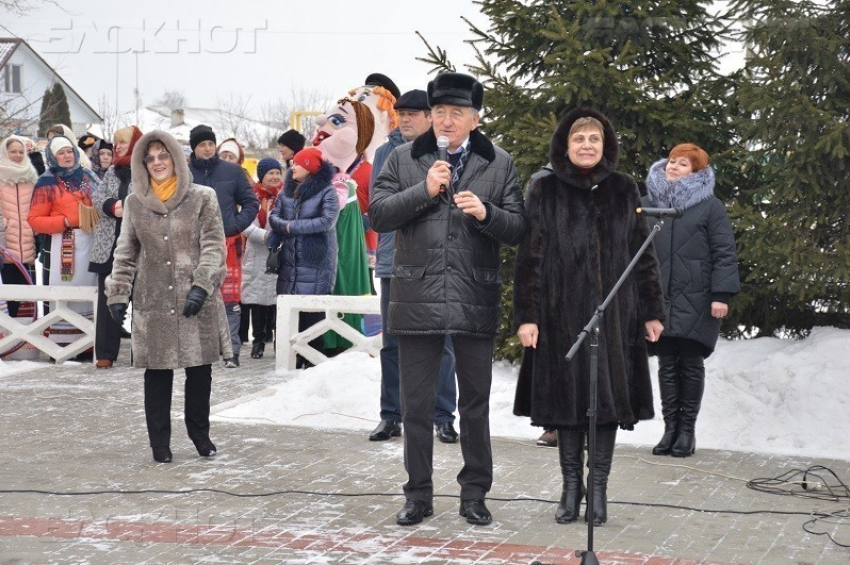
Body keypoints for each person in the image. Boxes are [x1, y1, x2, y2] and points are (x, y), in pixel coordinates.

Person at [371, 72, 527, 527]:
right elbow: (378, 214)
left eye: (456, 113)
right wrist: (425, 190)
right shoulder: (403, 159)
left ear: (475, 119)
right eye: (439, 112)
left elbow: (518, 229)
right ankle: (418, 494)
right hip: (416, 294)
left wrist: (488, 214)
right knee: (415, 404)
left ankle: (475, 494)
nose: (445, 120)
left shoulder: (499, 163)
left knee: (474, 403)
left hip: (472, 293)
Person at [513, 107, 665, 526]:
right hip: (559, 315)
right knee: (566, 402)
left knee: (605, 403)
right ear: (565, 145)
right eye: (578, 139)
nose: (585, 146)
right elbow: (530, 257)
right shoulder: (544, 190)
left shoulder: (624, 189)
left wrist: (652, 310)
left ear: (605, 146)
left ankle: (597, 489)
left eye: (593, 139)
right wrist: (527, 316)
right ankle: (569, 487)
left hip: (615, 316)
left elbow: (643, 255)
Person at [105, 130, 231, 464]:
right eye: (151, 158)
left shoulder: (202, 196)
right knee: (158, 373)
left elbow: (214, 246)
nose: (158, 162)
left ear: (176, 158)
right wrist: (118, 292)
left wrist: (202, 285)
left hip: (196, 299)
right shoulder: (134, 202)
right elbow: (126, 250)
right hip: (154, 298)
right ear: (142, 164)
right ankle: (159, 442)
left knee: (199, 370)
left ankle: (199, 433)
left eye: (164, 156)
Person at [368, 89, 458, 444]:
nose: (404, 120)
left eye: (413, 114)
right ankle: (391, 415)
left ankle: (443, 416)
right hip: (396, 261)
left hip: (440, 264)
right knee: (393, 344)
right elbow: (380, 207)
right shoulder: (385, 153)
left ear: (429, 118)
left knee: (443, 342)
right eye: (400, 114)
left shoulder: (448, 152)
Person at [642, 143, 740, 458]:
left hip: (697, 297)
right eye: (672, 160)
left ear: (696, 172)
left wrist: (720, 294)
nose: (674, 166)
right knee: (667, 364)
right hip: (659, 298)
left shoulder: (710, 207)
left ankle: (687, 432)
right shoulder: (647, 205)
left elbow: (724, 251)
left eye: (683, 164)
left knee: (690, 363)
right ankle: (670, 429)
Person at [188, 125, 259, 368]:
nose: (207, 148)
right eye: (201, 145)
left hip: (225, 243)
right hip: (192, 245)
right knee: (197, 296)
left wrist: (234, 226)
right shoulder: (184, 174)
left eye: (210, 143)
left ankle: (232, 351)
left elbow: (251, 202)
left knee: (229, 300)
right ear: (194, 148)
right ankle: (199, 351)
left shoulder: (233, 171)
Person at [28, 135, 100, 355]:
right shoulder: (46, 182)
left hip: (90, 241)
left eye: (69, 151)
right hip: (64, 243)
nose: (67, 156)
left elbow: (102, 202)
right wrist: (65, 221)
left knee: (89, 291)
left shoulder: (88, 176)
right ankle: (64, 345)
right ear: (53, 156)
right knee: (66, 292)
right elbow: (34, 220)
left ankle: (87, 344)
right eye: (61, 152)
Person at [268, 147, 340, 368]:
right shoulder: (286, 191)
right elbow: (274, 218)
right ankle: (290, 365)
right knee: (291, 320)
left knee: (313, 319)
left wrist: (290, 227)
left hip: (315, 263)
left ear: (309, 167)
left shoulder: (328, 191)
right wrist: (288, 226)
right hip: (290, 263)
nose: (292, 167)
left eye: (298, 164)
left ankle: (312, 367)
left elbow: (327, 221)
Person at [88, 125, 143, 369]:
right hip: (109, 246)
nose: (118, 146)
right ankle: (106, 353)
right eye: (116, 142)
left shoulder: (144, 170)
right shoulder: (112, 171)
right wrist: (111, 205)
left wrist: (128, 206)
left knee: (140, 299)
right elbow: (96, 198)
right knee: (108, 299)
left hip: (138, 245)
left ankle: (141, 352)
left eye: (123, 142)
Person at [242, 157, 283, 359]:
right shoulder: (253, 198)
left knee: (278, 301)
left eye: (277, 172)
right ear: (262, 176)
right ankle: (258, 342)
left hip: (279, 255)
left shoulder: (286, 196)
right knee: (257, 301)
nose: (275, 177)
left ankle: (278, 341)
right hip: (257, 255)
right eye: (270, 173)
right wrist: (266, 236)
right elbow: (246, 225)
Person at [0, 135, 38, 317]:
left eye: (20, 152)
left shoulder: (31, 176)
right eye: (13, 151)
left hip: (28, 245)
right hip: (5, 247)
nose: (17, 155)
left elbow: (36, 208)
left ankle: (25, 339)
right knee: (8, 297)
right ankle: (7, 338)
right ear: (5, 152)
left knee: (27, 296)